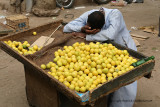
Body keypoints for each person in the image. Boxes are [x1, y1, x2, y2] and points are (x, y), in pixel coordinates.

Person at [63, 7, 137, 107]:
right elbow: (67, 27)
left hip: (123, 50)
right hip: (103, 52)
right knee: (107, 82)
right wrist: (81, 28)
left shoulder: (115, 14)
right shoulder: (88, 14)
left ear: (100, 28)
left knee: (124, 84)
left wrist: (87, 36)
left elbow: (110, 34)